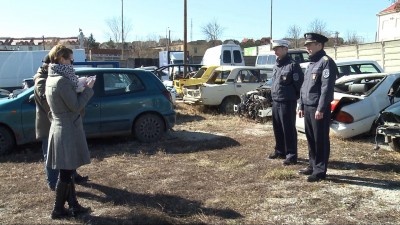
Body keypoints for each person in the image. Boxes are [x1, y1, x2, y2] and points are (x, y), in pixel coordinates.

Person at [45, 44, 95, 219]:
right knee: (66, 173)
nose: (72, 63)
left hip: (62, 127)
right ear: (61, 59)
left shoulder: (52, 77)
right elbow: (75, 106)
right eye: (70, 59)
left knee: (68, 169)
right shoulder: (61, 80)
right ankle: (57, 210)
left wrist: (79, 85)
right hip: (67, 129)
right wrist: (88, 89)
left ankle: (73, 205)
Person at [33, 55, 89, 191]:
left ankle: (73, 176)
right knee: (50, 155)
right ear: (48, 64)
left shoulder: (56, 76)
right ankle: (53, 183)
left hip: (62, 120)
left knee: (69, 153)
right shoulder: (42, 79)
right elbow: (48, 101)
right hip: (50, 122)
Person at [297, 33, 338, 182]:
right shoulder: (311, 63)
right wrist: (301, 104)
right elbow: (304, 87)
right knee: (310, 138)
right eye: (306, 45)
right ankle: (312, 165)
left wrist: (321, 108)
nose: (307, 47)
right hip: (308, 106)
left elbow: (326, 89)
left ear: (319, 45)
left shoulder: (326, 62)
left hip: (318, 108)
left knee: (320, 139)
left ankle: (320, 170)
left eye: (310, 44)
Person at [268, 39, 304, 165]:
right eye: (274, 49)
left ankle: (291, 155)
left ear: (285, 49)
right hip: (276, 101)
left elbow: (299, 86)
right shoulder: (276, 65)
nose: (276, 51)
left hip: (287, 102)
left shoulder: (293, 65)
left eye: (278, 48)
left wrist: (299, 102)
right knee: (277, 127)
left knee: (288, 129)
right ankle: (280, 151)